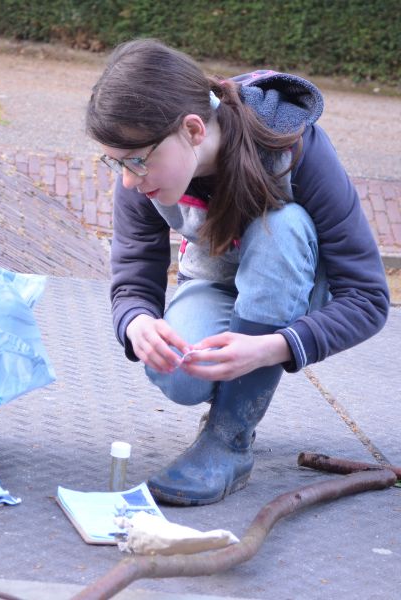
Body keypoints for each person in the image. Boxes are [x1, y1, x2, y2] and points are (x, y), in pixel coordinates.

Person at [86, 39, 389, 506]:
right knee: (181, 376)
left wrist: (273, 346)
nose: (127, 179)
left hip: (294, 289)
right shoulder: (142, 173)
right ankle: (223, 398)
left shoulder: (294, 148)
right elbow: (133, 273)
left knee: (281, 227)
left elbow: (368, 298)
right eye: (117, 162)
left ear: (192, 129)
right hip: (214, 284)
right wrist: (136, 322)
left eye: (137, 161)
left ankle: (229, 438)